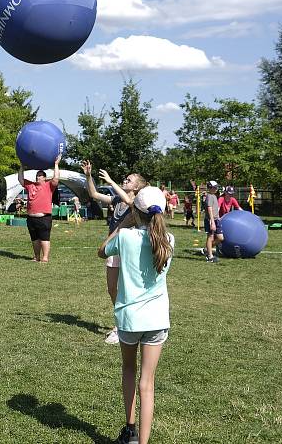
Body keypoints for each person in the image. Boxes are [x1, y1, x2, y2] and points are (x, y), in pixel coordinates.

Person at [98, 186, 174, 444]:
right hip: (157, 319)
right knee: (148, 384)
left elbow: (102, 251)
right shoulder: (169, 240)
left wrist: (123, 224)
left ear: (135, 212)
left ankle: (129, 429)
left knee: (129, 370)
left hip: (129, 319)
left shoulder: (125, 236)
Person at [82, 160, 148, 345]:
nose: (125, 180)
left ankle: (122, 326)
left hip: (129, 250)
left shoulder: (136, 202)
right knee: (112, 289)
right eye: (125, 179)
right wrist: (88, 176)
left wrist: (111, 182)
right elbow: (94, 194)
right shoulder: (117, 199)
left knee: (127, 289)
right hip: (114, 248)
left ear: (137, 187)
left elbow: (129, 201)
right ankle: (123, 321)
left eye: (129, 180)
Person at [20, 155, 60, 262]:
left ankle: (45, 258)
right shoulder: (30, 185)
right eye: (37, 175)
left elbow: (56, 179)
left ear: (45, 178)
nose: (38, 177)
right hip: (31, 218)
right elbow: (20, 179)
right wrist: (22, 167)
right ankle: (36, 257)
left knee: (44, 238)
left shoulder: (49, 185)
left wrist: (56, 164)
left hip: (44, 218)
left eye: (41, 175)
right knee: (34, 239)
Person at [203, 180, 223, 263]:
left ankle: (207, 249)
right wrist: (212, 221)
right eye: (214, 187)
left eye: (216, 187)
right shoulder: (209, 196)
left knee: (220, 238)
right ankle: (210, 257)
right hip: (210, 220)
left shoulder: (214, 196)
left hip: (216, 219)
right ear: (210, 187)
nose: (216, 188)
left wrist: (217, 218)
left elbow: (215, 209)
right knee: (210, 237)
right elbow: (209, 208)